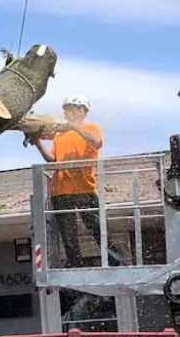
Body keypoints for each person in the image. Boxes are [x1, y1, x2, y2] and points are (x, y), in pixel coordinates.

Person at [32, 95, 123, 267]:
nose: (66, 112)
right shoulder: (59, 135)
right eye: (65, 108)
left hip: (84, 188)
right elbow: (52, 160)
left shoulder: (91, 128)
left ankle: (117, 261)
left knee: (98, 228)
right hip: (60, 190)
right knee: (68, 235)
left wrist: (74, 128)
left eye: (70, 108)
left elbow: (96, 142)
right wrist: (37, 141)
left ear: (82, 110)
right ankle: (76, 264)